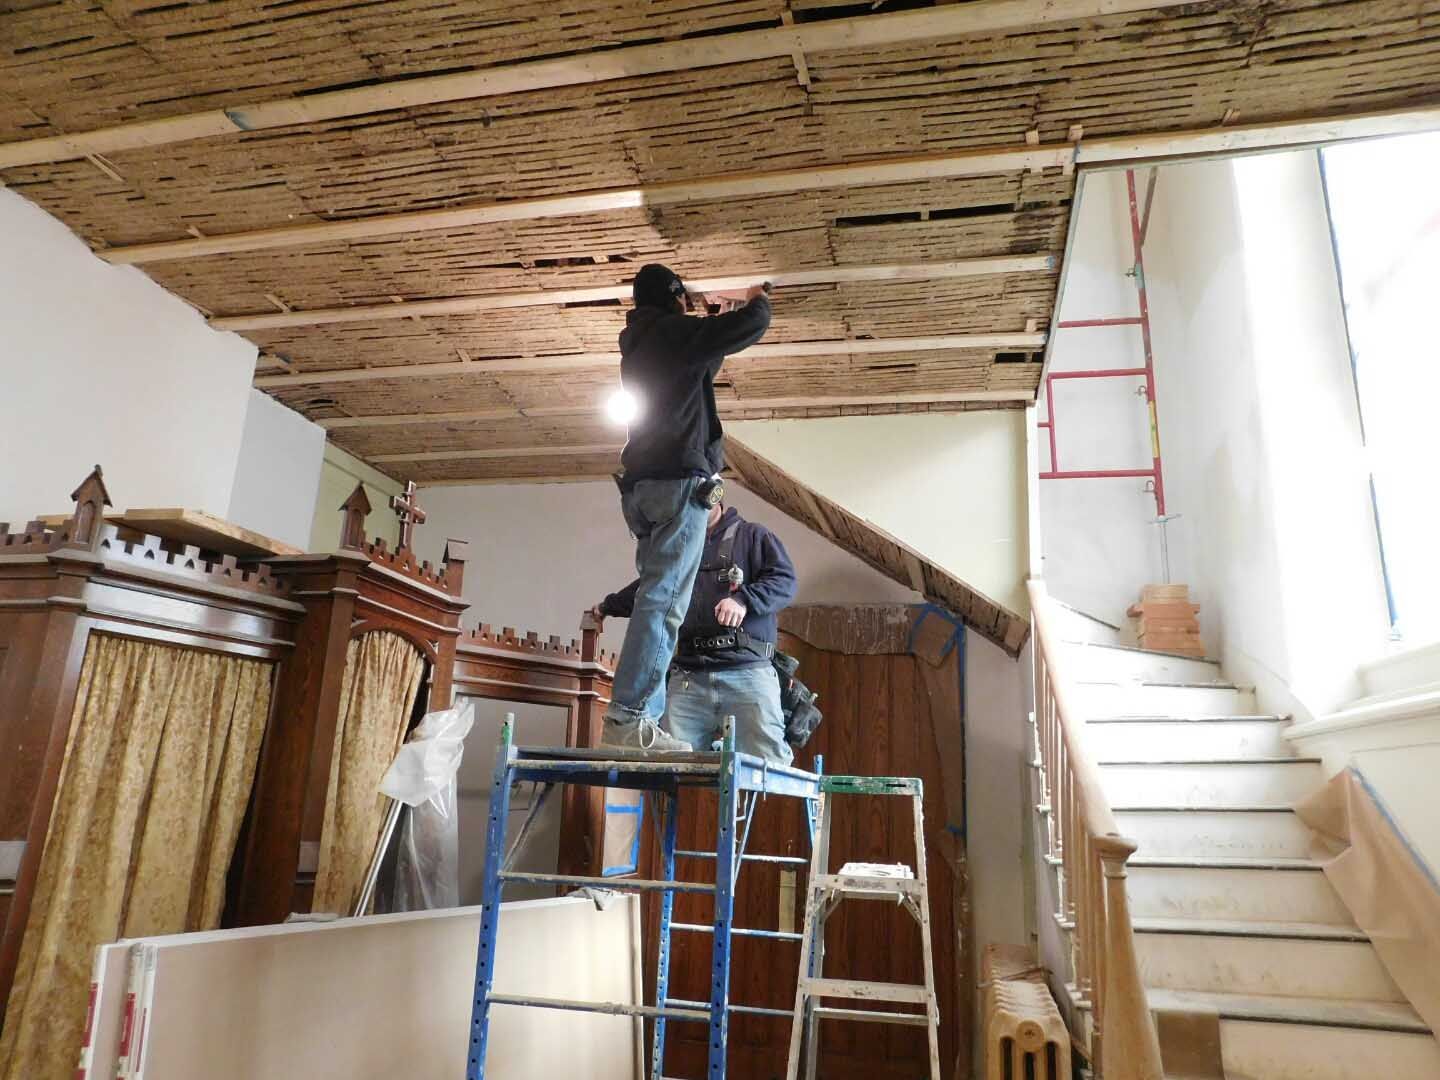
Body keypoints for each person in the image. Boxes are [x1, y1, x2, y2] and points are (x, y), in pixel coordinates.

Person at [600, 264, 772, 752]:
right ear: (675, 297)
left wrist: (709, 319)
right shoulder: (670, 331)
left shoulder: (642, 342)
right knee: (664, 603)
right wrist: (759, 298)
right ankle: (630, 720)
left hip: (643, 488)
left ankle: (638, 718)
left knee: (658, 599)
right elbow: (745, 329)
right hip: (678, 485)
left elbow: (700, 363)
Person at [594, 500, 798, 765]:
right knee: (669, 763)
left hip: (748, 673)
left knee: (771, 766)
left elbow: (784, 581)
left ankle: (734, 769)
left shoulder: (754, 536)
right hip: (690, 678)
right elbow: (651, 589)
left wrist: (744, 600)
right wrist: (606, 607)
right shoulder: (682, 547)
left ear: (715, 498)